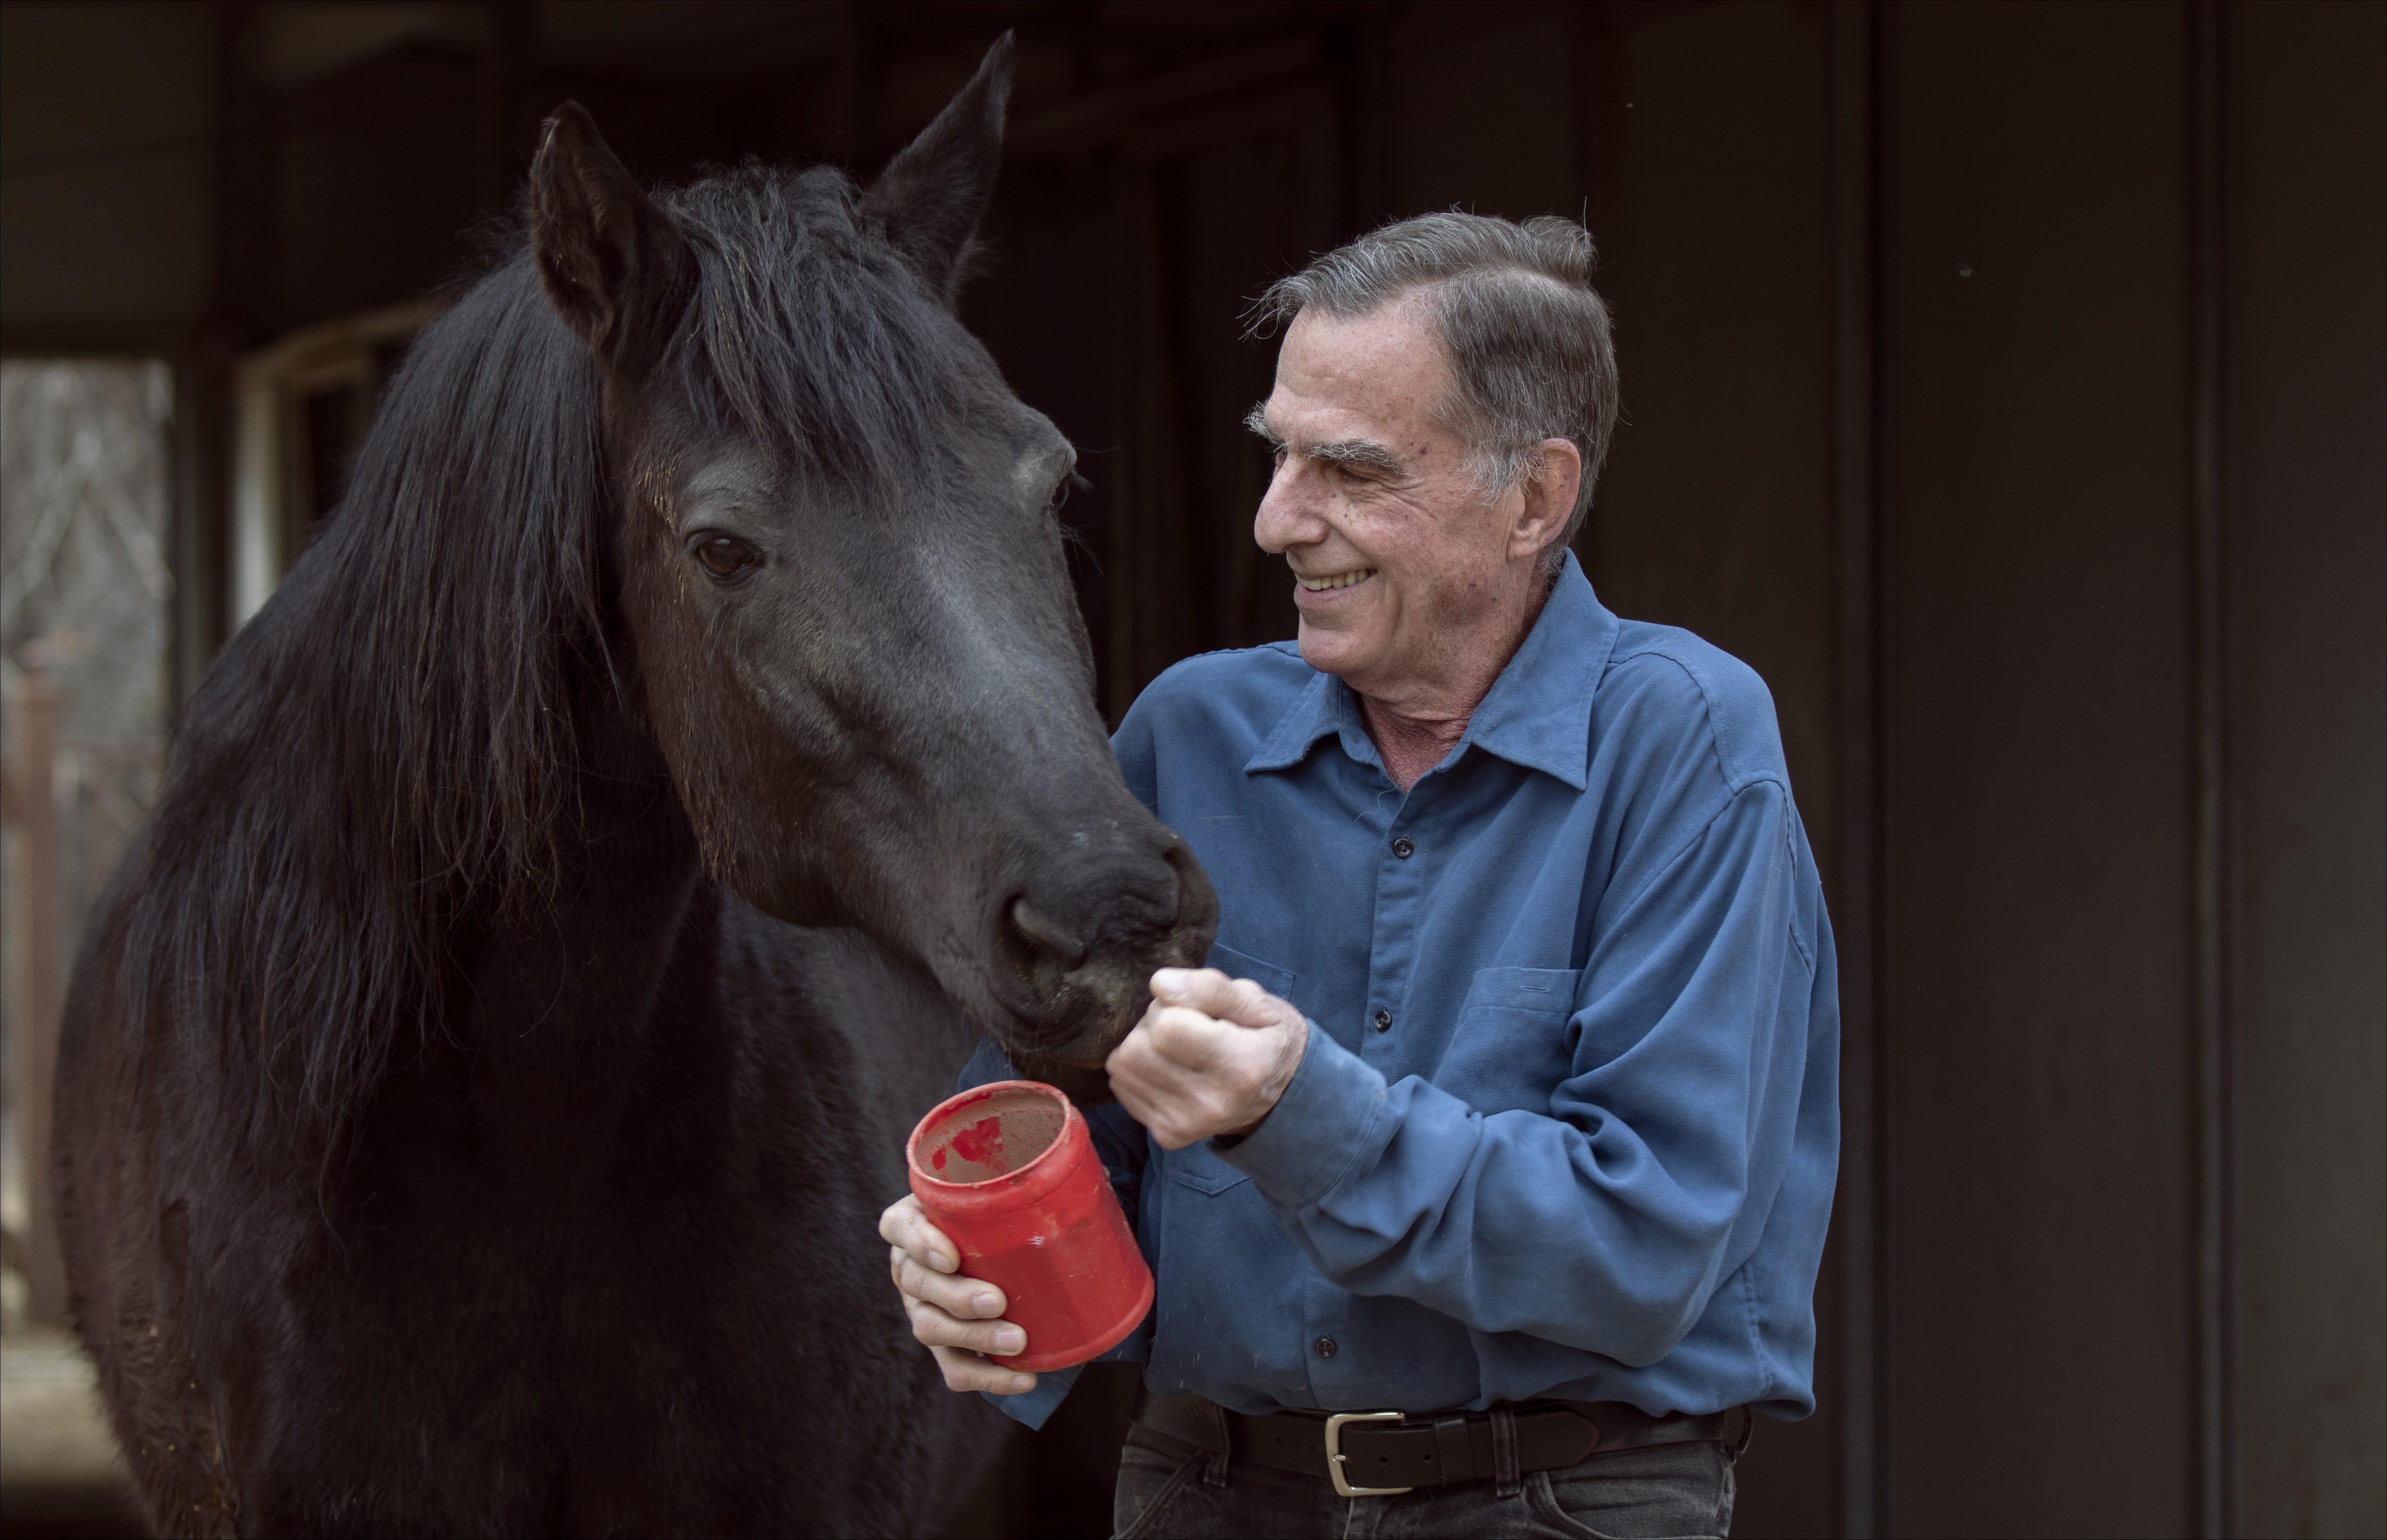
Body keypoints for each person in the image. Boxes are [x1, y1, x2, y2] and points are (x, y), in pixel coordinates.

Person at [881, 211, 1838, 1540]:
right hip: (1204, 1492)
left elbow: (1647, 1248)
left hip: (1562, 1503)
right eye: (1278, 454)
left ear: (1535, 499)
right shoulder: (1186, 733)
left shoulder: (1683, 740)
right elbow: (1067, 1129)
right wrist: (982, 1279)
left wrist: (1295, 1109)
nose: (1279, 521)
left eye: (1350, 468)